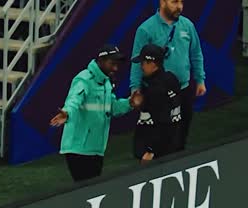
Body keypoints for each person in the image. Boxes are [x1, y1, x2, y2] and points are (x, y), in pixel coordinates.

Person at [50, 45, 136, 182]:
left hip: (96, 149)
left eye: (117, 64)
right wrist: (67, 112)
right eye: (112, 63)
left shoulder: (107, 82)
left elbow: (112, 107)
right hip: (79, 149)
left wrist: (130, 103)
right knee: (87, 188)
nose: (115, 68)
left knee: (92, 188)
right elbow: (74, 100)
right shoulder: (84, 79)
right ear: (101, 61)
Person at [130, 0, 206, 145]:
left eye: (181, 2)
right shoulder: (145, 29)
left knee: (181, 136)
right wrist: (135, 89)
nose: (180, 6)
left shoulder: (187, 25)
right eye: (174, 2)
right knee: (158, 139)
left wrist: (200, 80)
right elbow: (137, 62)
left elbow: (196, 53)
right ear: (162, 2)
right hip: (156, 94)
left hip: (183, 91)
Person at [132, 44, 183, 161]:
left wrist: (151, 150)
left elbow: (162, 122)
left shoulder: (154, 89)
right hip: (173, 144)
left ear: (153, 64)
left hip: (157, 153)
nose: (141, 66)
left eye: (143, 63)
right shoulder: (171, 79)